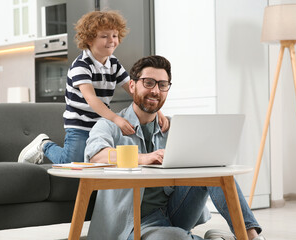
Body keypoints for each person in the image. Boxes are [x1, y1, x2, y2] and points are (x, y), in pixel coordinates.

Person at [84, 55, 265, 240]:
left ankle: (250, 236)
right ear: (132, 86)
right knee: (175, 238)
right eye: (148, 83)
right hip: (132, 225)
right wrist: (143, 158)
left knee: (216, 171)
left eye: (162, 85)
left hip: (175, 213)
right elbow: (96, 156)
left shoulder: (171, 127)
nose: (155, 91)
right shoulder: (109, 125)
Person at [18, 10, 169, 164]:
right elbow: (91, 99)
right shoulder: (81, 66)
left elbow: (135, 90)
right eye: (104, 36)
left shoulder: (113, 63)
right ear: (89, 39)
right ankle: (44, 145)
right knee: (72, 162)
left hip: (102, 123)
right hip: (80, 124)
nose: (111, 40)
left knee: (99, 162)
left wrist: (158, 112)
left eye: (115, 36)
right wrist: (117, 119)